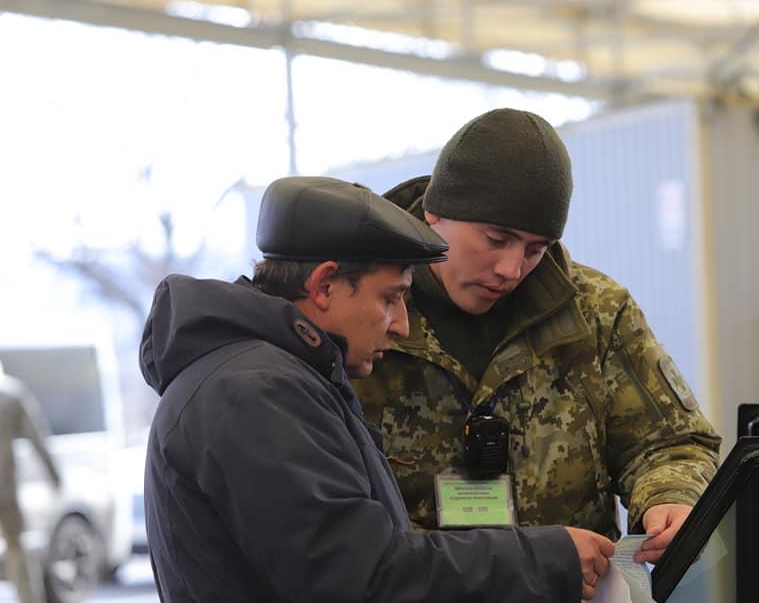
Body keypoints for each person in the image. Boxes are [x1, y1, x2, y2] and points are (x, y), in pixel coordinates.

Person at [140, 176, 613, 602]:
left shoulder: (274, 378)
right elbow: (363, 579)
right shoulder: (255, 394)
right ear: (325, 285)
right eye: (390, 298)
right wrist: (548, 558)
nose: (402, 325)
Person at [354, 108, 722, 564]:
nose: (511, 270)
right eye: (496, 239)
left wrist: (671, 495)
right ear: (436, 213)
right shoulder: (364, 311)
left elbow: (671, 442)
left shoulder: (596, 313)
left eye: (535, 249)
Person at [0, 364, 61, 603]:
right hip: (6, 488)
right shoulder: (11, 395)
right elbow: (37, 436)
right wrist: (53, 475)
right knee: (18, 551)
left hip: (7, 489)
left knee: (18, 550)